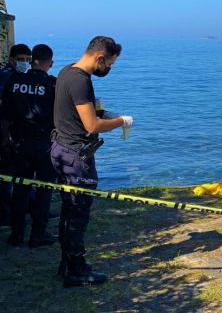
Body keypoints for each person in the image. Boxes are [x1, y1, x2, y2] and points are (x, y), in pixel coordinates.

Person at [50, 36, 133, 287]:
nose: (109, 69)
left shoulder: (67, 71)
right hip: (76, 155)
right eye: (109, 64)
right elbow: (91, 125)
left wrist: (101, 111)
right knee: (78, 212)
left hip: (61, 148)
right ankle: (76, 270)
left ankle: (67, 263)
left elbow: (77, 111)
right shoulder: (80, 81)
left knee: (69, 208)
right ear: (99, 58)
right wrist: (121, 121)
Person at [1, 44, 57, 248]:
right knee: (44, 190)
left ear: (32, 60)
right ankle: (38, 234)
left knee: (20, 189)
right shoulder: (52, 84)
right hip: (44, 143)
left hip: (18, 143)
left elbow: (5, 116)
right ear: (50, 63)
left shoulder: (15, 81)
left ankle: (16, 235)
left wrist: (6, 139)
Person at [0, 44, 31, 226]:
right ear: (12, 60)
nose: (25, 63)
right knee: (6, 176)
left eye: (28, 60)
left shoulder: (23, 76)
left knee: (24, 171)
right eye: (21, 60)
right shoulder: (5, 76)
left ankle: (27, 207)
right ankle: (6, 214)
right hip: (6, 133)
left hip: (20, 132)